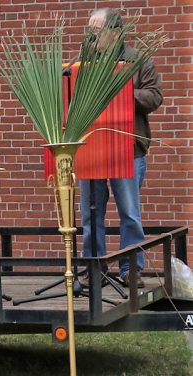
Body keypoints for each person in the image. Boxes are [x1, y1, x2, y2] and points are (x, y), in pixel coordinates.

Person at [79, 8, 163, 288]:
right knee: (92, 215)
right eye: (88, 32)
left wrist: (120, 88)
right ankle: (95, 269)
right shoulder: (84, 62)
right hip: (92, 148)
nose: (90, 38)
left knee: (129, 214)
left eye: (95, 32)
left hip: (128, 148)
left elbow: (154, 96)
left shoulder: (138, 60)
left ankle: (131, 270)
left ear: (115, 33)